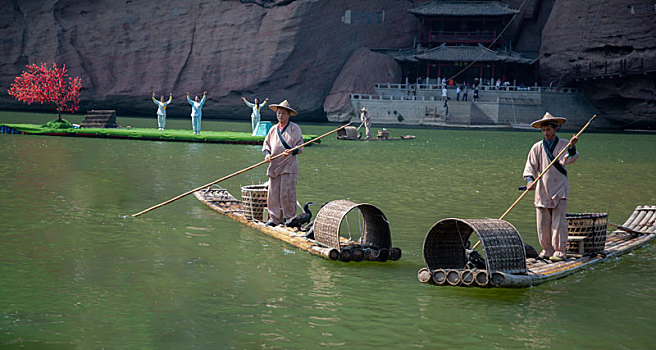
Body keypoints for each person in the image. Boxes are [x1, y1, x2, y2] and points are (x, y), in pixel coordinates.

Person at [523, 112, 579, 262]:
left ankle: (560, 251)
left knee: (559, 222)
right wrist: (530, 182)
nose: (546, 133)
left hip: (559, 187)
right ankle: (547, 249)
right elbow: (530, 167)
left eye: (549, 129)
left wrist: (572, 147)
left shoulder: (564, 144)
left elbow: (568, 160)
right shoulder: (536, 147)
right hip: (542, 189)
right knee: (542, 222)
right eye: (544, 130)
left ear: (555, 129)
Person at [262, 100, 304, 227]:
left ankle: (290, 218)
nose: (280, 116)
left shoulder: (294, 128)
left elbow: (300, 146)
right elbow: (266, 145)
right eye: (279, 113)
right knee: (273, 193)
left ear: (289, 115)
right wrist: (267, 155)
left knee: (287, 193)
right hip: (274, 165)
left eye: (283, 114)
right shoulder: (273, 129)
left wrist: (291, 151)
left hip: (288, 165)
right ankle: (274, 218)